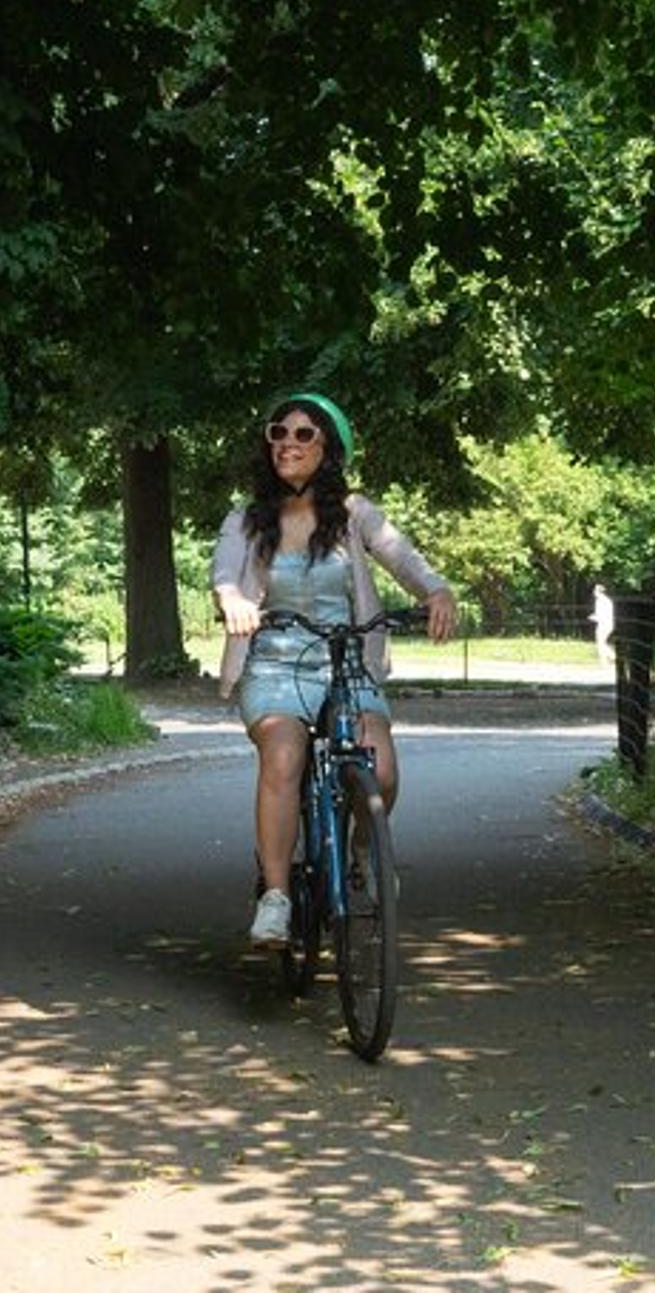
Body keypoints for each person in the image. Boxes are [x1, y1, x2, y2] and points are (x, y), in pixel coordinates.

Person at [211, 394, 457, 948]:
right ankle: (276, 898)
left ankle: (364, 848)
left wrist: (437, 590)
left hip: (346, 663)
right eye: (279, 432)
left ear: (328, 449)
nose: (287, 444)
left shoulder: (353, 514)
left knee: (381, 769)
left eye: (304, 435)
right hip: (274, 664)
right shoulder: (245, 520)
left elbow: (404, 558)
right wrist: (232, 599)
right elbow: (224, 573)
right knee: (283, 757)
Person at [590, 583, 616, 668]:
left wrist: (593, 617)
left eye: (595, 591)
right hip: (608, 624)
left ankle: (607, 660)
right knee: (601, 642)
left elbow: (601, 615)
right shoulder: (606, 600)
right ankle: (610, 658)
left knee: (600, 643)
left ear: (599, 592)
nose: (594, 592)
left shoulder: (601, 601)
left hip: (604, 624)